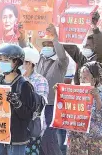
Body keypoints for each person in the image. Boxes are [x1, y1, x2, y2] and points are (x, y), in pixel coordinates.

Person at [0, 43, 36, 155]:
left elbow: (28, 115)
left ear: (16, 62)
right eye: (0, 60)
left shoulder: (24, 85)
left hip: (16, 137)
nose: (1, 63)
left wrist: (17, 103)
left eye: (6, 60)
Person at [34, 24, 69, 155]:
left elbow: (62, 56)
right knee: (40, 137)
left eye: (50, 44)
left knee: (48, 137)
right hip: (38, 105)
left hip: (52, 105)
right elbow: (28, 54)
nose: (47, 47)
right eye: (45, 45)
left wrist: (55, 37)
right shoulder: (39, 60)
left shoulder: (60, 63)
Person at [66, 61, 102, 155]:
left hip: (96, 142)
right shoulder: (75, 95)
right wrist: (59, 93)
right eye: (81, 78)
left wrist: (97, 98)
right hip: (78, 142)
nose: (82, 80)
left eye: (85, 78)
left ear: (94, 80)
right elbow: (68, 114)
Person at [64, 11, 102, 85]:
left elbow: (100, 47)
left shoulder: (101, 58)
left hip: (96, 94)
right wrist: (66, 30)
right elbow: (71, 48)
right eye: (84, 46)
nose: (84, 48)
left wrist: (94, 28)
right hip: (81, 94)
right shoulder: (82, 59)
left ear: (95, 47)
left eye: (87, 45)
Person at [20, 47, 49, 155]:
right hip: (17, 127)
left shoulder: (40, 80)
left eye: (22, 62)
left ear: (30, 64)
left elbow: (40, 104)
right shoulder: (16, 79)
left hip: (32, 127)